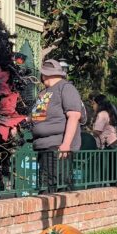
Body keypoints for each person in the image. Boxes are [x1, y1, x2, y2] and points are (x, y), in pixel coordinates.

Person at [30, 60, 85, 192]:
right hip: (44, 147)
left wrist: (66, 144)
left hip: (58, 148)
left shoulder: (65, 88)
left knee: (54, 188)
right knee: (46, 186)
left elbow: (74, 116)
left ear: (44, 74)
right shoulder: (44, 92)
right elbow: (37, 115)